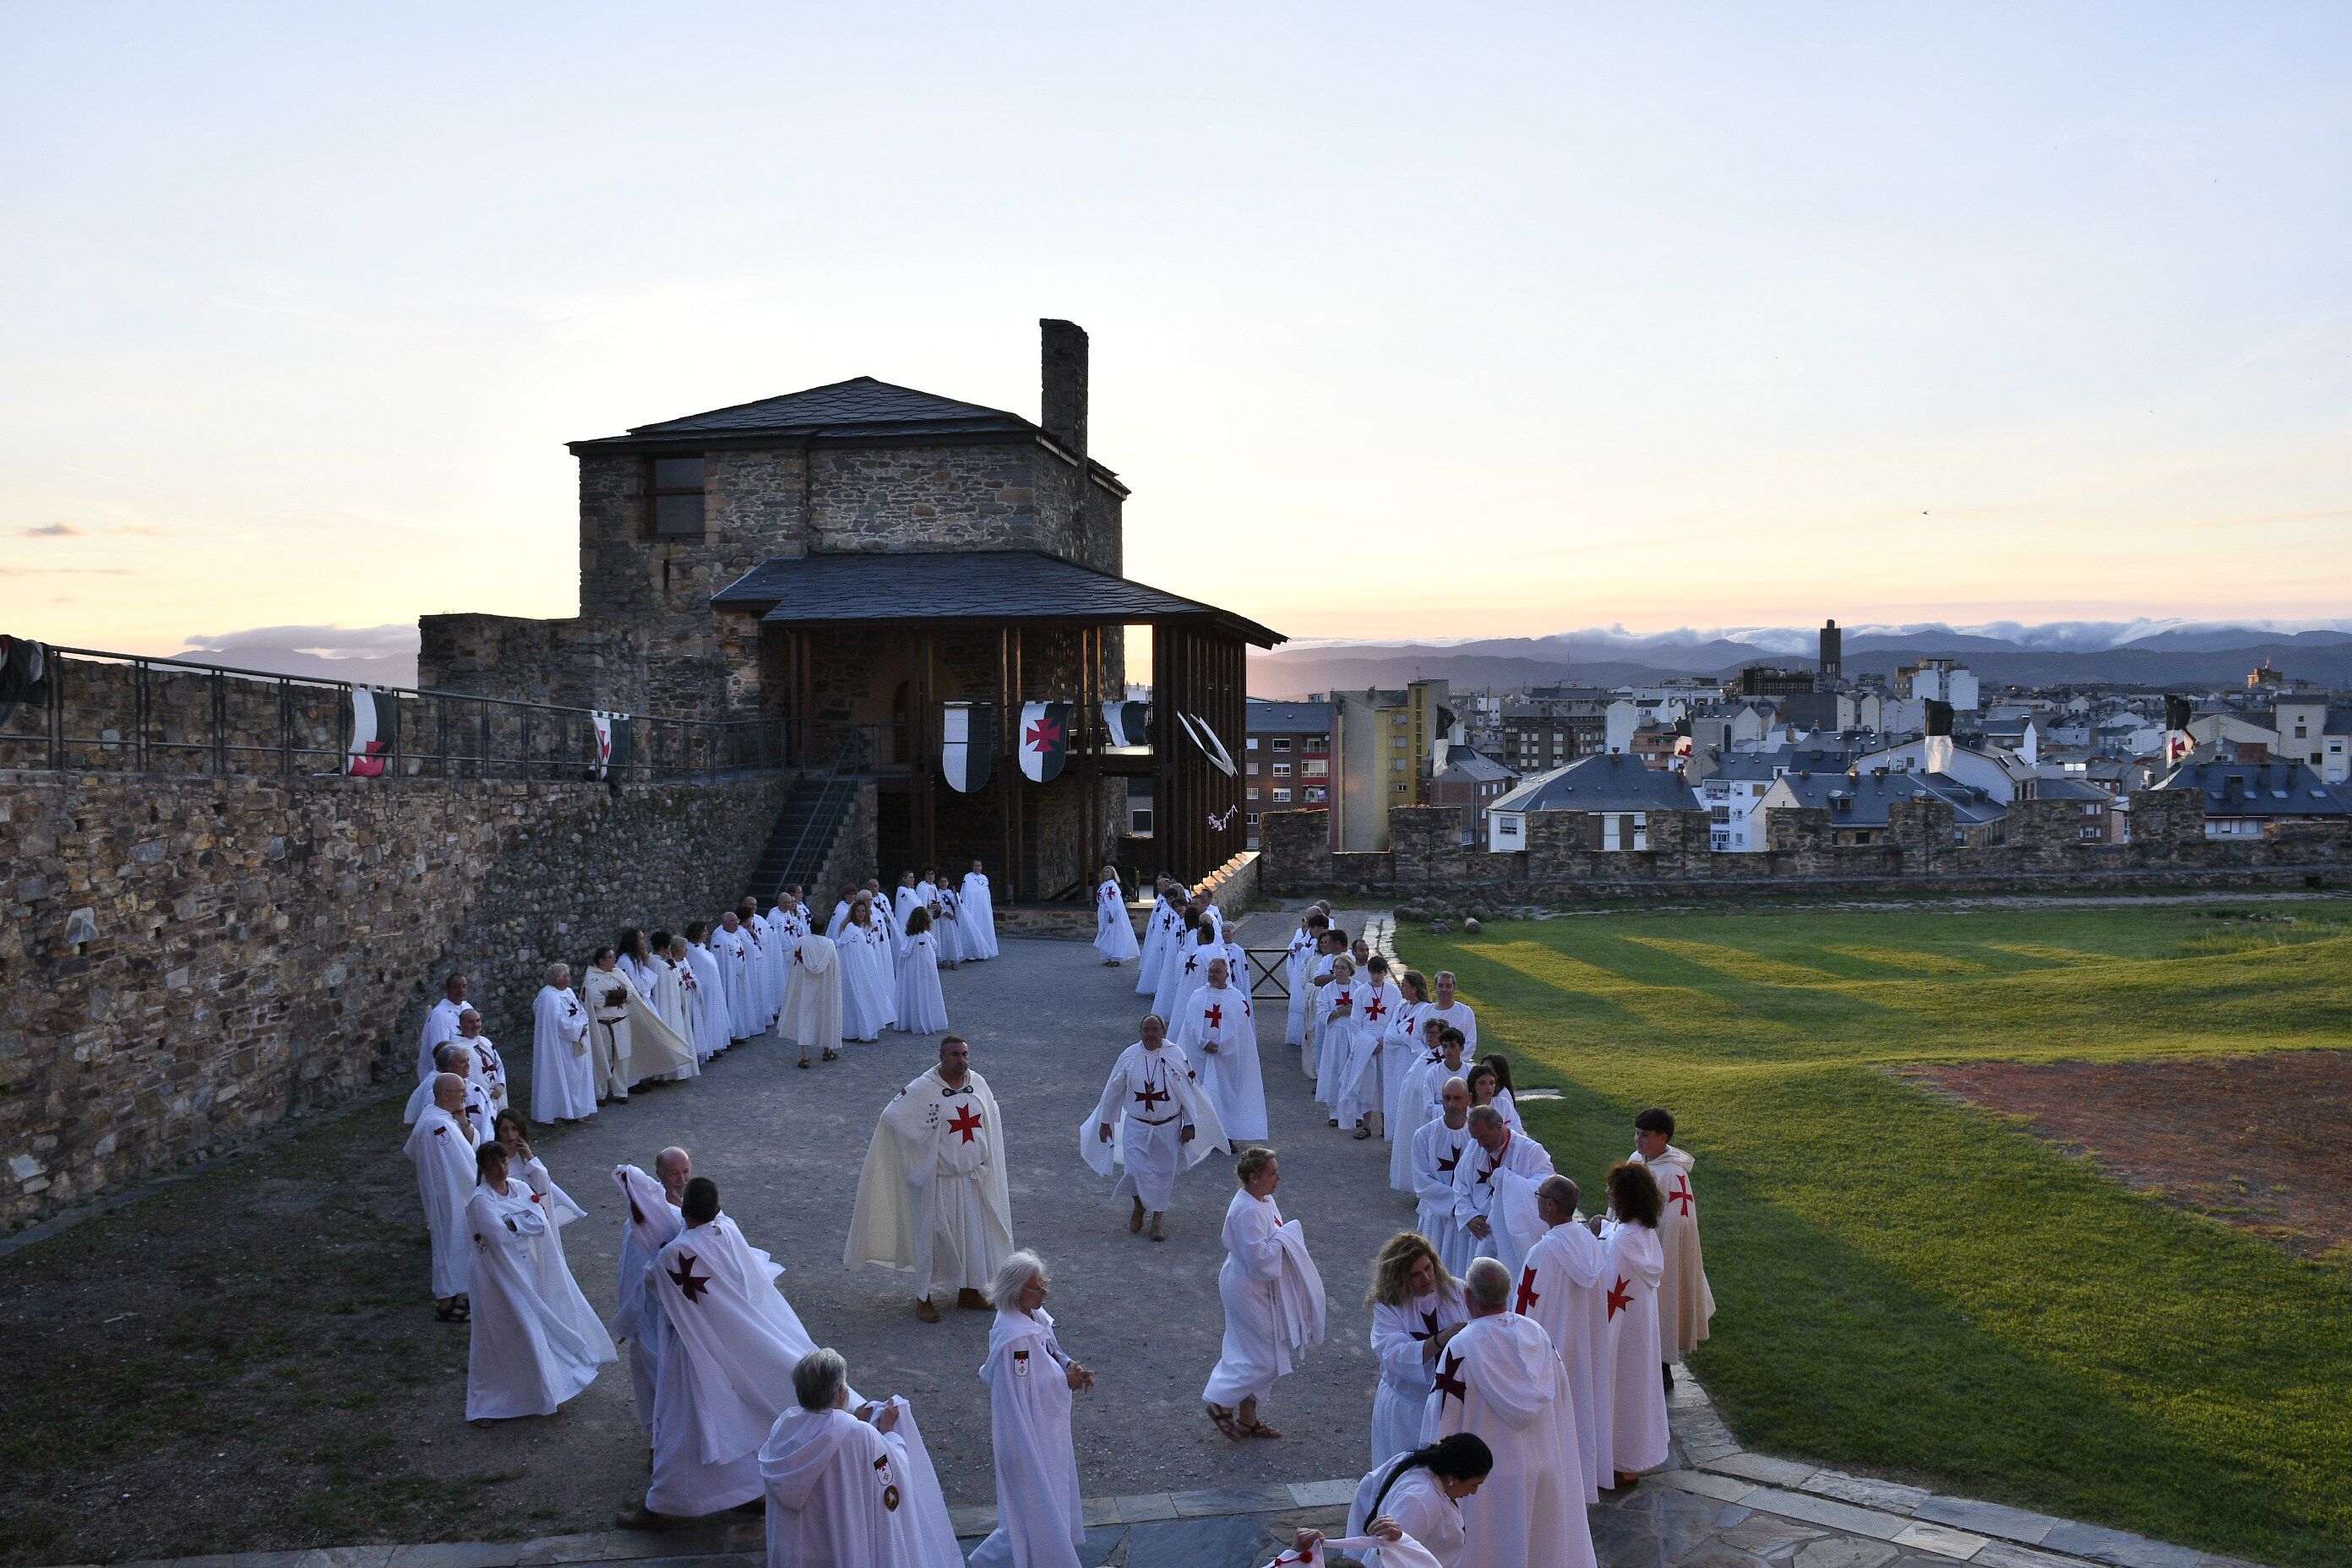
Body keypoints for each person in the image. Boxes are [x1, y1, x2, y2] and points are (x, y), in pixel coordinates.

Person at [626, 1177, 833, 1527]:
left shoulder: (673, 1256)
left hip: (695, 1351)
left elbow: (654, 1284)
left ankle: (666, 1504)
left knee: (683, 1425)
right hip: (733, 1343)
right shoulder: (729, 1229)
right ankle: (745, 1491)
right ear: (717, 1209)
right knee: (741, 1416)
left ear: (685, 1212)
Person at [1424, 1258, 1595, 1568]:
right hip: (1544, 1466)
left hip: (1486, 1481)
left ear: (1469, 1297)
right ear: (1509, 1293)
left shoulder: (1460, 1348)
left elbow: (1443, 1417)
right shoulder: (1539, 1337)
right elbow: (1562, 1404)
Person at [846, 1037, 1015, 1323]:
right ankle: (924, 1297)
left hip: (971, 1180)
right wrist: (918, 1155)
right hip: (939, 1183)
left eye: (964, 1054)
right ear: (941, 1057)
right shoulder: (924, 1089)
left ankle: (970, 1290)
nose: (961, 1060)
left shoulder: (979, 1084)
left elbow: (991, 1120)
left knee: (972, 1237)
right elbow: (892, 1117)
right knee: (933, 1240)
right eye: (954, 1055)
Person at [759, 1348, 961, 1568]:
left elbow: (824, 1434)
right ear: (840, 1393)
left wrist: (850, 1420)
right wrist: (888, 1431)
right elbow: (892, 1468)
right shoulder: (859, 1435)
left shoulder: (784, 1428)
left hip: (797, 1551)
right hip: (841, 1549)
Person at [464, 1139, 616, 1424]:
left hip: (525, 1270)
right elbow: (497, 1237)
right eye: (494, 1163)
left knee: (533, 1330)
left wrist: (514, 1222)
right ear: (483, 1167)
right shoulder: (480, 1202)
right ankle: (488, 1403)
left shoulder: (520, 1188)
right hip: (497, 1277)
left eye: (505, 1161)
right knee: (503, 1335)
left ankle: (538, 1392)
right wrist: (519, 1223)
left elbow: (541, 1221)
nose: (501, 1167)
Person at [969, 1252, 1092, 1568]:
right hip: (1027, 1431)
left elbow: (1051, 1351)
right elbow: (1026, 1388)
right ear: (1016, 1291)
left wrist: (1067, 1365)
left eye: (1044, 1285)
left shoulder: (1031, 1316)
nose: (1044, 1293)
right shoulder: (1014, 1339)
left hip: (1042, 1428)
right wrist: (1065, 1379)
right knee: (1032, 1503)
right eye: (1037, 1288)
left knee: (1042, 1497)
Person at [1202, 1147, 1324, 1442]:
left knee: (1256, 1349)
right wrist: (1289, 1236)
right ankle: (1220, 1399)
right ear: (1254, 1178)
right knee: (1266, 1355)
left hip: (1257, 1285)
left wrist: (1284, 1237)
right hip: (1246, 1286)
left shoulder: (1264, 1200)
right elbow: (1259, 1261)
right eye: (1272, 1173)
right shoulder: (1246, 1210)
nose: (1278, 1178)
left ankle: (1248, 1419)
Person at [1082, 1013, 1228, 1242]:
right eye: (1146, 1030)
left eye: (1155, 1030)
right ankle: (1139, 1205)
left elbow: (1189, 1091)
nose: (1150, 1034)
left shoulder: (1176, 1055)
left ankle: (1158, 1219)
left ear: (1164, 1032)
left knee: (1162, 1175)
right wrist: (1105, 1122)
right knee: (1134, 1171)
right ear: (1140, 1032)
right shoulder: (1130, 1056)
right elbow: (1113, 1092)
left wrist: (1189, 1123)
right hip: (1137, 1127)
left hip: (1168, 1128)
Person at [1517, 1175, 1610, 1500]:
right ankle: (1585, 1477)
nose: (1537, 1200)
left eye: (1539, 1195)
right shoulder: (1590, 1245)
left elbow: (1526, 1310)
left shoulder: (1543, 1252)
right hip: (1586, 1347)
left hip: (1553, 1350)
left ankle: (1558, 1482)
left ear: (1551, 1205)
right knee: (1584, 1409)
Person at [1366, 1233, 1469, 1467]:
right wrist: (1439, 1340)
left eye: (1428, 1268)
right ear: (1399, 1278)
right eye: (1415, 1274)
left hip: (1451, 1401)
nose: (1426, 1278)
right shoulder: (1388, 1306)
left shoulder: (1455, 1290)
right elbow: (1393, 1354)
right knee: (1406, 1474)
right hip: (1408, 1409)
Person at [1628, 1107, 1714, 1379]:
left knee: (1660, 1308)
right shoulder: (1636, 1160)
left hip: (1657, 1253)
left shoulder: (1674, 1175)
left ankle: (1661, 1372)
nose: (1638, 1140)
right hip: (1630, 1250)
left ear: (1663, 1138)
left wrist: (1652, 1251)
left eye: (1645, 1135)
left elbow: (1676, 1224)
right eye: (1637, 1134)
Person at [1600, 1162, 1669, 1484]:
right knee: (1639, 1388)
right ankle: (1637, 1457)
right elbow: (1619, 1238)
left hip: (1619, 1331)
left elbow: (1606, 1279)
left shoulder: (1619, 1243)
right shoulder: (1647, 1236)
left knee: (1620, 1390)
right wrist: (1605, 1230)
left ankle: (1622, 1461)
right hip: (1641, 1327)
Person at [615, 1147, 689, 1440]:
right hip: (649, 1314)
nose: (681, 1179)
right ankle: (658, 1441)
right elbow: (630, 1273)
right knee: (654, 1378)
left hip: (678, 1316)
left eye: (685, 1171)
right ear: (659, 1175)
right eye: (674, 1173)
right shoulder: (641, 1224)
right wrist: (628, 1317)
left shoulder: (688, 1209)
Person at [1344, 1433, 1495, 1568]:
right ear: (1453, 1478)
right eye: (1474, 1484)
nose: (1474, 1491)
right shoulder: (1420, 1501)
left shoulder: (1422, 1468)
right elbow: (1384, 1554)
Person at [405, 1071, 478, 1320]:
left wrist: (464, 1121)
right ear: (446, 1095)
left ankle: (452, 1298)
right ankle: (450, 1302)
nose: (465, 1095)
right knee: (452, 1244)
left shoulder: (437, 1116)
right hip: (450, 1194)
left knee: (451, 1244)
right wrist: (481, 1186)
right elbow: (462, 1162)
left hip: (448, 1191)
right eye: (460, 1091)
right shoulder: (438, 1125)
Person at [1451, 1107, 1553, 1279]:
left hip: (1511, 1239)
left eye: (1483, 1137)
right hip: (1481, 1233)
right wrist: (1469, 1216)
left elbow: (1547, 1186)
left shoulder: (1530, 1150)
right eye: (1476, 1138)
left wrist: (1509, 1181)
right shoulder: (1474, 1149)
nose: (1480, 1144)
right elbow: (1459, 1185)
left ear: (1499, 1126)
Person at [1175, 956, 1267, 1141]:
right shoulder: (1198, 995)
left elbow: (1241, 1028)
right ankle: (1200, 1136)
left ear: (1226, 974)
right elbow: (1190, 1023)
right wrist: (1203, 1042)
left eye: (1217, 972)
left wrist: (1222, 1046)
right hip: (1200, 1055)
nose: (1213, 975)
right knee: (1200, 1094)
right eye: (1210, 971)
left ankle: (1225, 1135)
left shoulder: (1236, 998)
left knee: (1224, 1097)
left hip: (1225, 1057)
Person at [1413, 1079, 1478, 1277]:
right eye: (1447, 1098)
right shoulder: (1424, 1135)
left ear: (1469, 1099)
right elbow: (1422, 1183)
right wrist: (1459, 1205)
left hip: (1468, 1220)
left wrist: (1468, 1211)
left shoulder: (1478, 1136)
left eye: (1458, 1098)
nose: (1451, 1104)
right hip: (1439, 1217)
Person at [1338, 954, 1404, 1141]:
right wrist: (1369, 1043)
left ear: (1385, 973)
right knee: (1366, 1085)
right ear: (1369, 973)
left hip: (1386, 1044)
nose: (1376, 977)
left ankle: (1386, 1126)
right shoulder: (1360, 993)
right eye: (1373, 973)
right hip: (1366, 1044)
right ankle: (1367, 1125)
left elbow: (1395, 1019)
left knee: (1385, 1085)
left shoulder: (1393, 993)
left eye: (1380, 973)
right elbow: (1355, 1022)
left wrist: (1383, 1041)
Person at [1390, 1015, 1449, 1195]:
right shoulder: (1425, 1055)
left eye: (1434, 1033)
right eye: (1427, 1033)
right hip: (1412, 1113)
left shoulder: (1443, 1059)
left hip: (1427, 1115)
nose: (1430, 1037)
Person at [530, 964, 595, 1124]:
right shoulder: (548, 997)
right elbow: (558, 1023)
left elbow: (580, 1011)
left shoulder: (568, 992)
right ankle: (562, 1111)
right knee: (564, 1078)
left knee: (577, 1078)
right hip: (560, 1047)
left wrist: (583, 1026)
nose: (569, 977)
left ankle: (578, 1110)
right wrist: (578, 1029)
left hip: (576, 1041)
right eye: (566, 975)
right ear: (557, 978)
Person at [404, 1039, 495, 1141]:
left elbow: (488, 1120)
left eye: (468, 1060)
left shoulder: (475, 1089)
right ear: (449, 1066)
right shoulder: (436, 1088)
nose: (468, 1065)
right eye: (462, 1062)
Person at [783, 929, 844, 1067]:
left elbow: (791, 959)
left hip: (805, 987)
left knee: (804, 1019)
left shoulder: (801, 942)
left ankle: (805, 1057)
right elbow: (835, 967)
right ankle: (827, 1050)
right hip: (824, 988)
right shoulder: (829, 944)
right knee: (825, 1015)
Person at [839, 897, 894, 1043]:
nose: (861, 913)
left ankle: (870, 1030)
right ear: (853, 913)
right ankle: (858, 1032)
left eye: (863, 911)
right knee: (860, 1000)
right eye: (858, 911)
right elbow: (849, 953)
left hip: (869, 969)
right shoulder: (850, 930)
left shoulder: (865, 927)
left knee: (871, 998)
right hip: (858, 972)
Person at [893, 906, 950, 1034]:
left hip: (912, 974)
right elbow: (932, 949)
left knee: (913, 993)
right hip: (925, 974)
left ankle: (910, 1021)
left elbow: (906, 953)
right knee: (923, 994)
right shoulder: (922, 938)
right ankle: (923, 1021)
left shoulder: (910, 937)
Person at [1314, 954, 1358, 1118]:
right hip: (1334, 1035)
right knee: (1334, 1071)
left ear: (1350, 970)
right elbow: (1320, 1015)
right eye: (1336, 967)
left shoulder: (1358, 988)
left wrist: (1353, 1012)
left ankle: (1355, 1112)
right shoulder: (1328, 990)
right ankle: (1334, 1112)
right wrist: (1340, 1012)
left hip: (1353, 1034)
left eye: (1342, 968)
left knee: (1353, 1071)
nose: (1338, 971)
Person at [682, 923, 733, 1062]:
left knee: (715, 1015)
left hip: (713, 989)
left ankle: (715, 1045)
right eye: (704, 930)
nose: (706, 933)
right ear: (697, 932)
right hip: (704, 990)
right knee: (706, 1018)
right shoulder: (690, 950)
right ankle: (706, 1048)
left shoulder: (703, 948)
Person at [711, 912, 759, 1042]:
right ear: (725, 923)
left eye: (737, 920)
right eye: (733, 921)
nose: (737, 922)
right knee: (730, 1004)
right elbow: (720, 961)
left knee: (739, 1004)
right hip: (728, 978)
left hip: (738, 977)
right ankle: (728, 1036)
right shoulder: (720, 939)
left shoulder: (735, 936)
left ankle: (738, 1032)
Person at [1282, 910, 1326, 1049]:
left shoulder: (1325, 940)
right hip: (1302, 978)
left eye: (1312, 926)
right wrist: (1297, 949)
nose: (1309, 929)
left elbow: (1316, 957)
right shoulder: (1307, 935)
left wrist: (1302, 949)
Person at [416, 973, 471, 1081]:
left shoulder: (467, 1007)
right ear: (447, 989)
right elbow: (441, 1052)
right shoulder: (440, 1016)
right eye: (456, 987)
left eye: (464, 986)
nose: (461, 991)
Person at [457, 1008, 509, 1113]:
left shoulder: (485, 1041)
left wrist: (501, 1084)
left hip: (499, 1094)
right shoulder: (456, 1049)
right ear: (461, 1025)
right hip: (478, 1100)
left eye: (478, 1021)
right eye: (471, 1022)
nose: (476, 1025)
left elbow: (499, 1065)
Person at [1093, 866, 1139, 965]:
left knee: (1114, 934)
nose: (1105, 874)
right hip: (1104, 913)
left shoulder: (1112, 886)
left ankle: (1116, 958)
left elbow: (1113, 902)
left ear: (1112, 874)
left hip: (1112, 914)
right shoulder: (1104, 885)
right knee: (1107, 934)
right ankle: (1109, 956)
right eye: (1104, 872)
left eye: (1108, 872)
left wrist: (1112, 914)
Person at [1463, 1062, 1522, 1135]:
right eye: (1482, 1083)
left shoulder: (1503, 1104)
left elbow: (1517, 1130)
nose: (1488, 1088)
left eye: (1492, 1083)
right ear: (1473, 1086)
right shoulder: (1464, 1109)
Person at [960, 859, 999, 960]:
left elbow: (985, 893)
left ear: (981, 867)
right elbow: (966, 892)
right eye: (975, 866)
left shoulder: (984, 878)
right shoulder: (968, 877)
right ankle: (971, 954)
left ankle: (983, 952)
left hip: (983, 909)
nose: (977, 868)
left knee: (983, 928)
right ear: (972, 867)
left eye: (979, 866)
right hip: (972, 908)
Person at [1425, 972, 1477, 1049]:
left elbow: (1470, 1042)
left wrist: (1452, 1058)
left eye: (1448, 986)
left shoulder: (1466, 1012)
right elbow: (1416, 1039)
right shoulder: (1425, 1011)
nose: (1444, 989)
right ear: (1434, 988)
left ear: (1454, 988)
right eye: (1440, 986)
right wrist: (1430, 1057)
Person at [933, 879, 966, 968]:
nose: (943, 883)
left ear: (948, 883)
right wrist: (945, 913)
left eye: (945, 881)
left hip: (951, 917)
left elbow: (957, 904)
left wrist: (955, 894)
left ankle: (953, 960)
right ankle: (942, 960)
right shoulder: (936, 892)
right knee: (942, 938)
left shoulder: (951, 893)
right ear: (938, 883)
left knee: (952, 938)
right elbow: (937, 905)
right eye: (941, 881)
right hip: (942, 917)